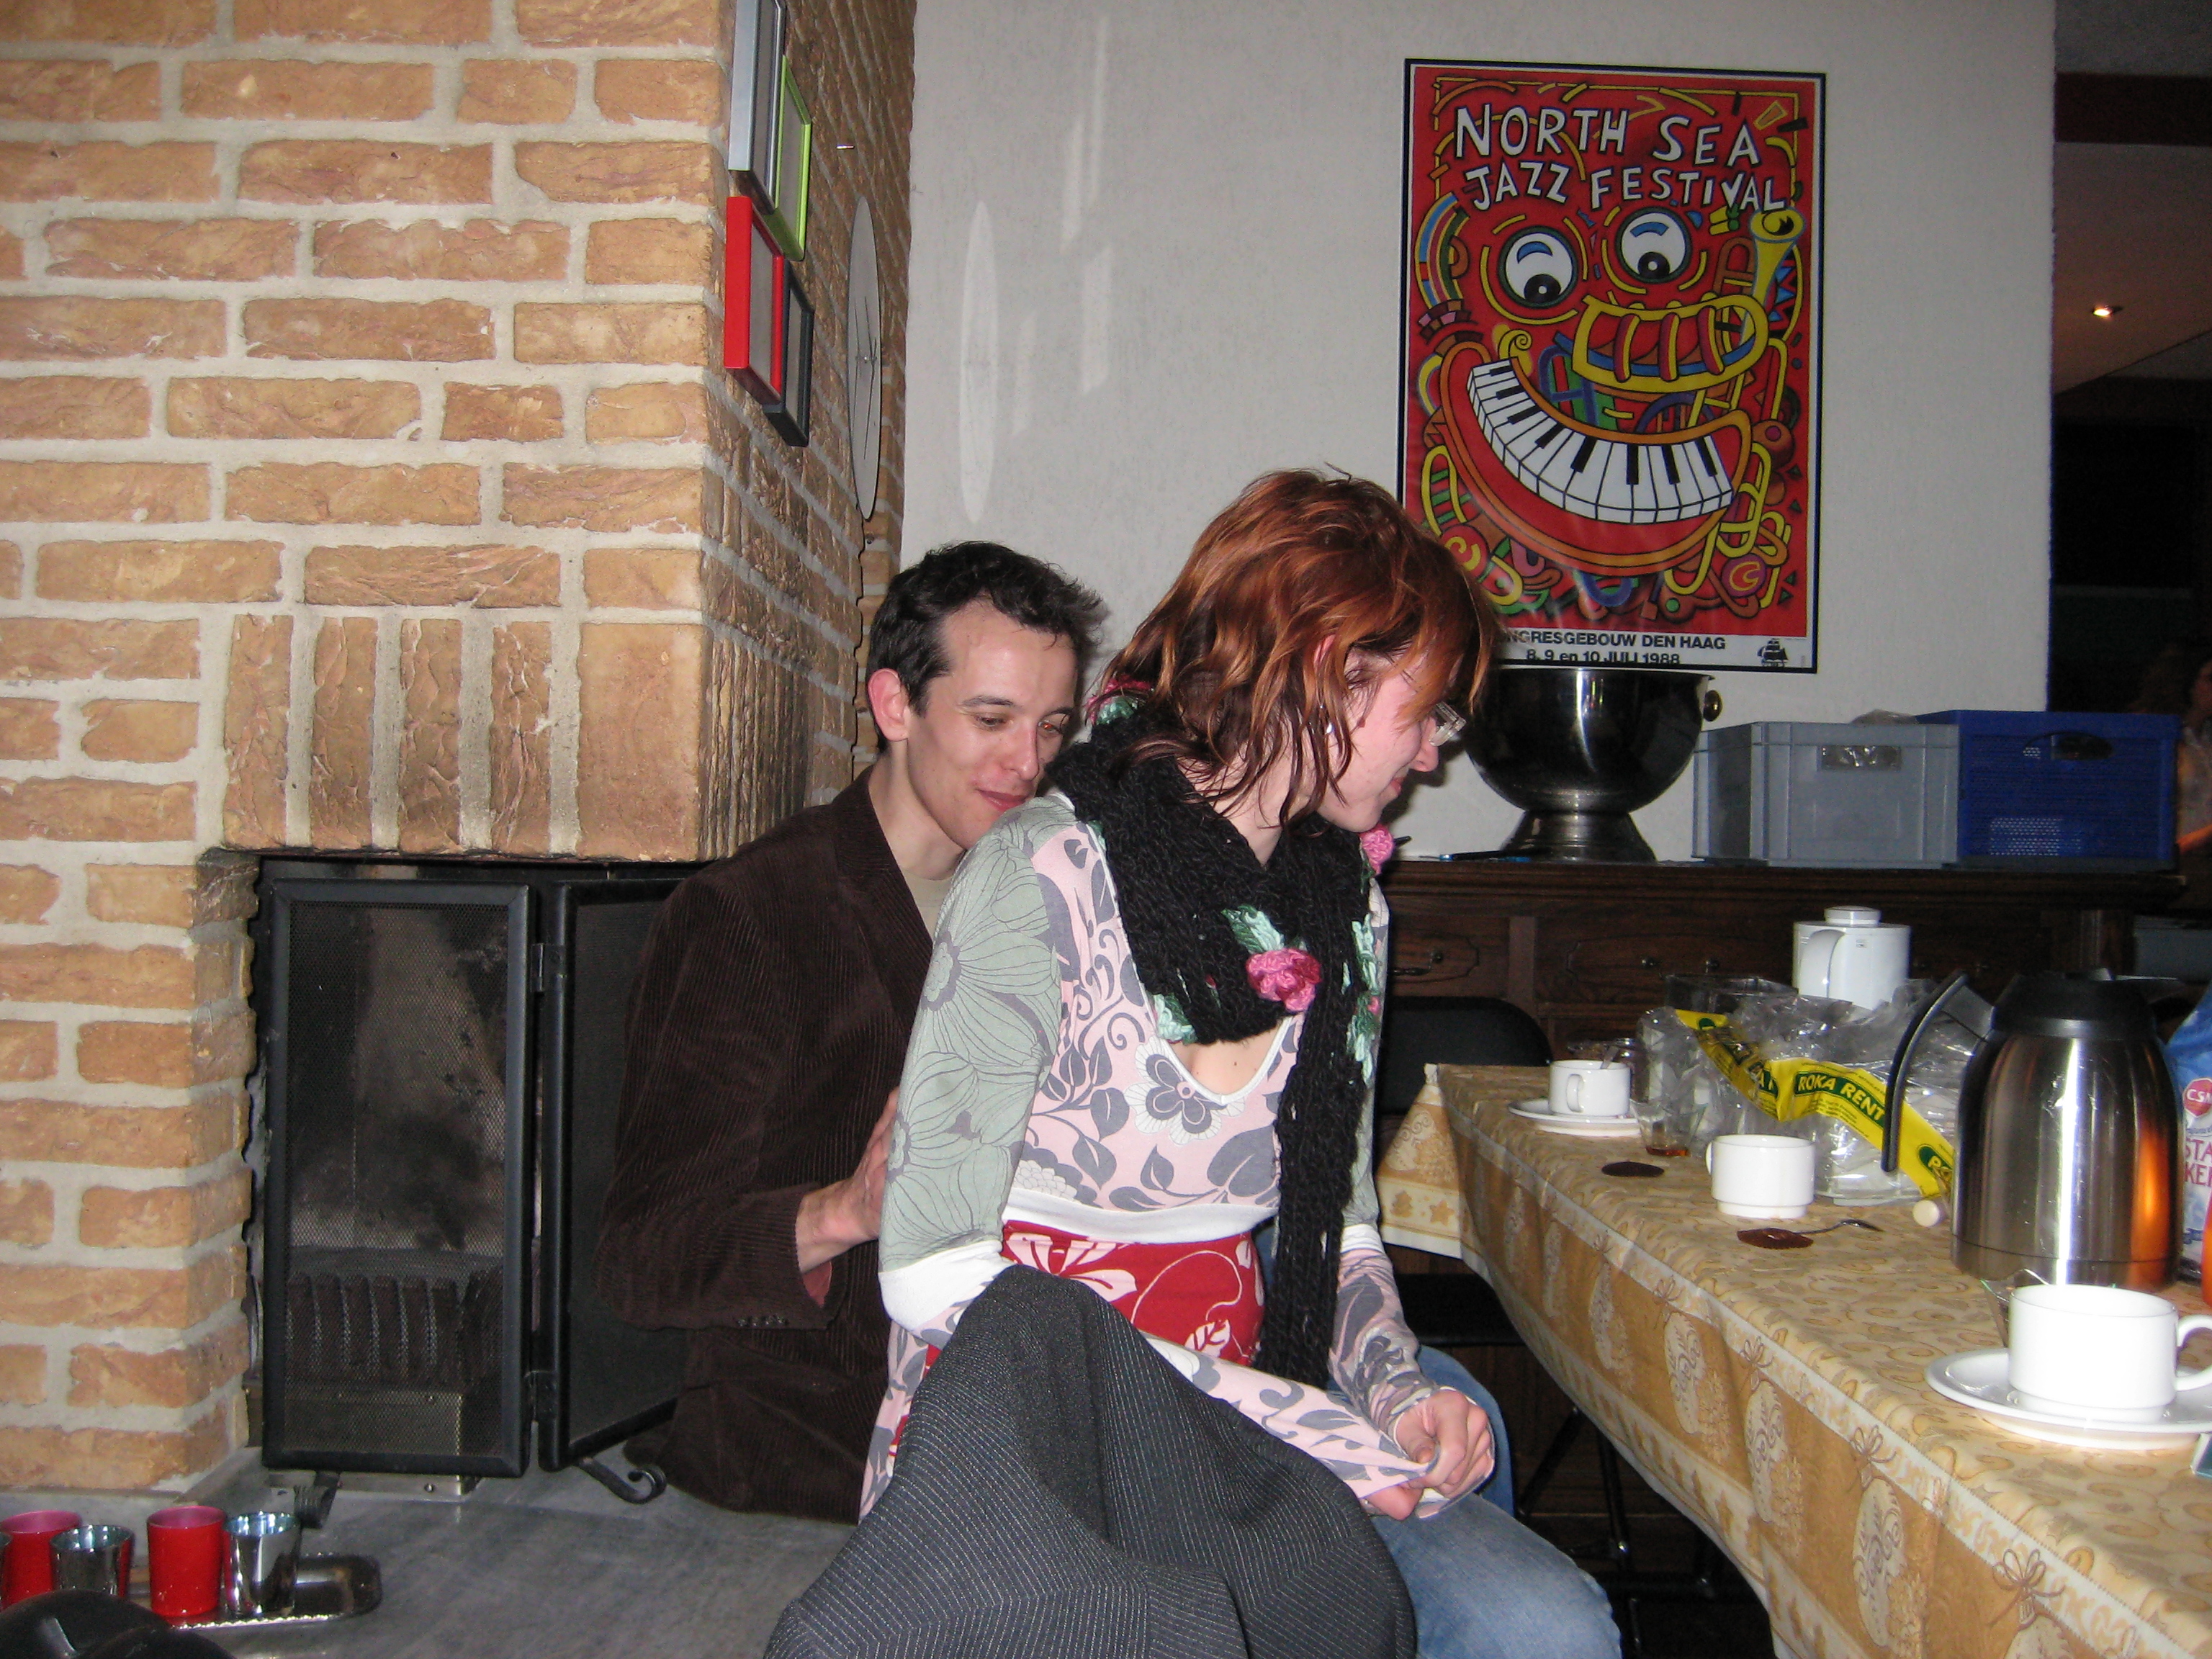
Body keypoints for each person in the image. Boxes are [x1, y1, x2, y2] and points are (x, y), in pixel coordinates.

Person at [871, 472, 1619, 1658]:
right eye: (1423, 711)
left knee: (1549, 1629)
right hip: (1034, 1439)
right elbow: (928, 1276)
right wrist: (1295, 1419)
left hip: (1257, 1427)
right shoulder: (1042, 874)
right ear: (1328, 671)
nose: (1434, 753)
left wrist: (1394, 1393)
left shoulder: (1346, 907)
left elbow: (1344, 1230)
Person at [594, 543, 1105, 1521]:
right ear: (893, 706)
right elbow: (642, 1259)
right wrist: (846, 1209)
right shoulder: (751, 915)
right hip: (824, 1450)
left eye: (1050, 726)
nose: (1029, 763)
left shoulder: (1049, 898)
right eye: (991, 720)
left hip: (1016, 1410)